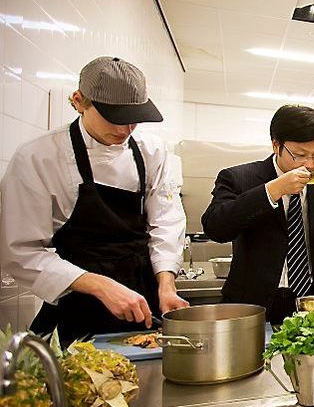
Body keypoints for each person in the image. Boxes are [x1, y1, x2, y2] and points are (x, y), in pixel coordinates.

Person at [0, 56, 186, 341]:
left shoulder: (152, 152)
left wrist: (166, 284)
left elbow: (166, 222)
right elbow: (20, 251)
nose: (125, 130)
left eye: (133, 119)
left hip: (143, 302)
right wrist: (100, 285)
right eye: (114, 118)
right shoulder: (38, 158)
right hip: (76, 306)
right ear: (78, 101)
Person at [202, 105, 314, 324]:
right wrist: (273, 190)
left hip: (311, 300)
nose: (311, 164)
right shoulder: (238, 178)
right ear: (277, 145)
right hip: (254, 303)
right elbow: (215, 227)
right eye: (300, 155)